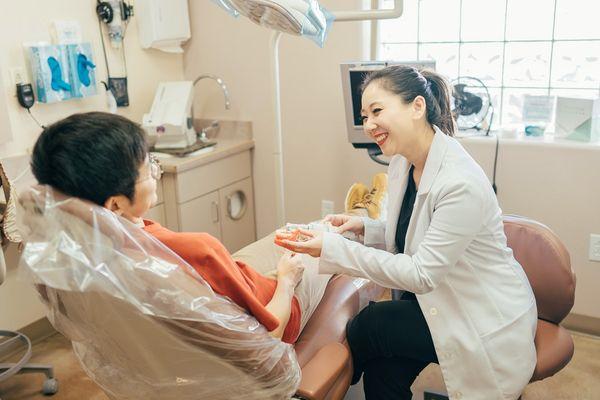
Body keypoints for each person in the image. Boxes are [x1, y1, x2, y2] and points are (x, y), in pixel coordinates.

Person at [276, 65, 537, 400]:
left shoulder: (459, 183)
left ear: (417, 107)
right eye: (364, 115)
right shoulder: (402, 161)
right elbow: (413, 231)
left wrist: (330, 248)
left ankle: (322, 383)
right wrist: (365, 228)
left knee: (370, 326)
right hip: (437, 300)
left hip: (478, 314)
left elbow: (421, 273)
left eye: (377, 111)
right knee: (384, 369)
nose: (368, 125)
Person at [30, 111, 330, 344]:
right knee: (328, 246)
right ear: (116, 205)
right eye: (149, 169)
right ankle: (352, 219)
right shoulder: (196, 249)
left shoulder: (77, 258)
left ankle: (339, 222)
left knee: (295, 234)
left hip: (242, 288)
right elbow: (270, 335)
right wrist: (288, 281)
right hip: (280, 307)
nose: (156, 174)